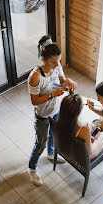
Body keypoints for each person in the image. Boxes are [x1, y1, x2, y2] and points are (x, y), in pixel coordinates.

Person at [27, 35, 77, 186]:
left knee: (54, 135)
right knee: (40, 143)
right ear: (43, 60)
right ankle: (32, 168)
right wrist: (52, 94)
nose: (57, 64)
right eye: (53, 62)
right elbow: (34, 101)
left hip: (55, 110)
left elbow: (62, 81)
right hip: (42, 116)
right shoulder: (35, 77)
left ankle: (50, 154)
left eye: (59, 60)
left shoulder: (57, 67)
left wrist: (69, 82)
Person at [57, 93, 103, 159]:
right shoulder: (83, 129)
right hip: (85, 156)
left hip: (70, 147)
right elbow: (90, 153)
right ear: (79, 110)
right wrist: (96, 138)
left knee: (97, 122)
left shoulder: (61, 119)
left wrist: (88, 135)